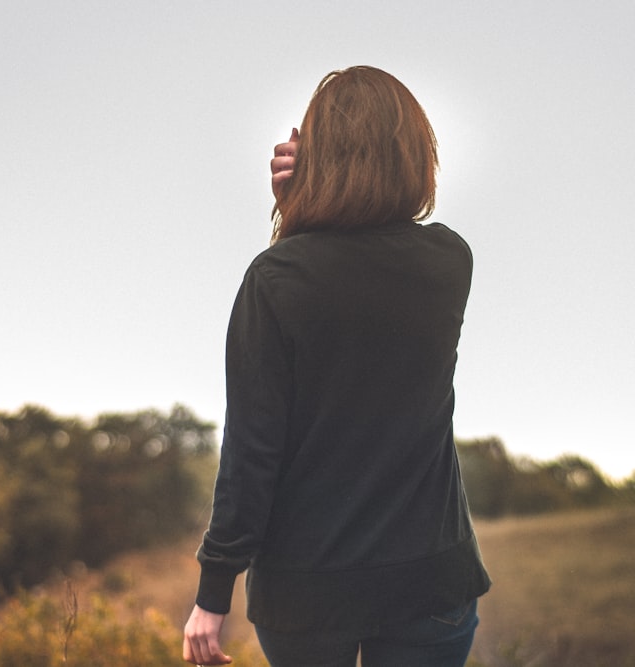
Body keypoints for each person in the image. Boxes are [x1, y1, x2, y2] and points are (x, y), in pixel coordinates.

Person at [183, 65, 490, 667]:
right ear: (416, 156)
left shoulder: (276, 279)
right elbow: (363, 267)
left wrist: (213, 594)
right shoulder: (450, 261)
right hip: (429, 583)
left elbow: (252, 448)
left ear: (317, 160)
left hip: (305, 591)